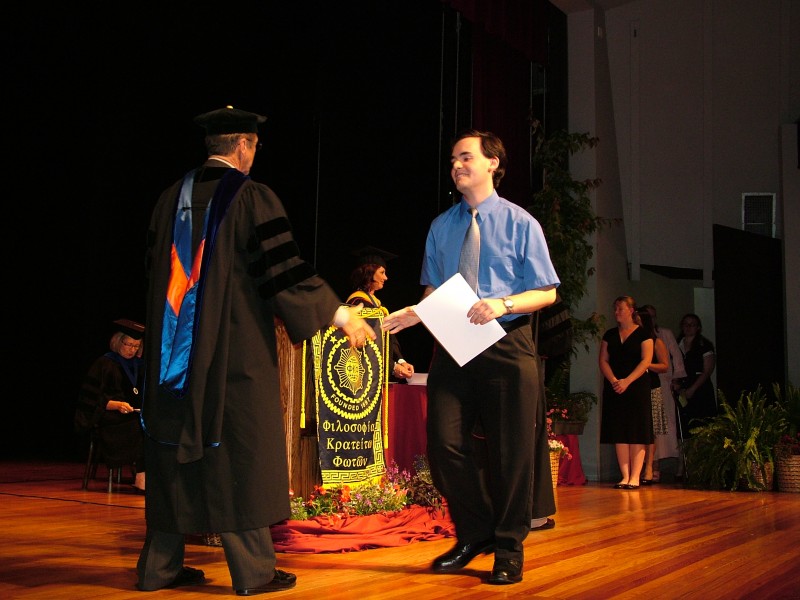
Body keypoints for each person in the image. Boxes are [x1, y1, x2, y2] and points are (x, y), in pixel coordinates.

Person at [135, 106, 376, 596]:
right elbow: (282, 273)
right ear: (243, 144)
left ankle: (157, 569)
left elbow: (151, 273)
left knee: (172, 454)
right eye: (254, 146)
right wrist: (340, 313)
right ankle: (253, 573)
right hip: (232, 358)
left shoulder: (167, 201)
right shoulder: (250, 198)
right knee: (235, 456)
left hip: (169, 361)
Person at [382, 129, 560, 585]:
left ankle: (509, 544)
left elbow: (546, 293)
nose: (457, 165)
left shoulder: (522, 224)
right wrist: (414, 313)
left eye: (466, 157)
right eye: (453, 160)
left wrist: (503, 303)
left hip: (506, 341)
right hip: (454, 342)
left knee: (511, 451)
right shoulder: (442, 226)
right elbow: (433, 290)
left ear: (492, 163)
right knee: (444, 444)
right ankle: (476, 531)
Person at [74, 318, 147, 492]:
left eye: (136, 346)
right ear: (118, 341)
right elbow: (90, 399)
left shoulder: (141, 366)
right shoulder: (105, 363)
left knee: (153, 427)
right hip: (110, 419)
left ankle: (150, 475)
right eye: (128, 344)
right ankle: (141, 477)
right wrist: (115, 405)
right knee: (138, 428)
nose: (132, 350)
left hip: (135, 416)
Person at [598, 296, 653, 490]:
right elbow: (603, 360)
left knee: (636, 430)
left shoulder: (644, 334)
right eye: (615, 309)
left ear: (631, 310)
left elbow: (646, 360)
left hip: (637, 386)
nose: (616, 313)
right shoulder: (610, 334)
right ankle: (625, 476)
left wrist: (627, 381)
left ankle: (635, 476)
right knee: (619, 430)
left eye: (620, 309)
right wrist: (614, 381)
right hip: (615, 386)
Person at [346, 246, 415, 382]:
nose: (386, 277)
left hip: (377, 373)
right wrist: (393, 367)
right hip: (362, 375)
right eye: (382, 272)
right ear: (370, 273)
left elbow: (389, 336)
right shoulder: (357, 303)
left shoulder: (377, 304)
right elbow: (370, 343)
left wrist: (400, 360)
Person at [640, 304, 686, 482]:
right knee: (647, 426)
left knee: (660, 426)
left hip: (662, 384)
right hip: (643, 385)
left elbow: (676, 357)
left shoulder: (663, 335)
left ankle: (656, 465)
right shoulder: (638, 336)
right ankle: (647, 465)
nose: (651, 320)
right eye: (648, 316)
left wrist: (676, 379)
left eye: (653, 316)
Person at [636, 309, 669, 485]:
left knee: (651, 430)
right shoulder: (632, 341)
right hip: (634, 388)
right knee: (637, 429)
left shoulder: (656, 342)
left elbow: (665, 365)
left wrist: (646, 363)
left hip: (651, 388)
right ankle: (637, 468)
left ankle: (649, 467)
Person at [675, 313, 717, 437]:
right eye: (686, 325)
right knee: (684, 425)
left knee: (701, 425)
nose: (688, 327)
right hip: (682, 387)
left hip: (700, 388)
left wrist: (692, 389)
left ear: (698, 327)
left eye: (692, 325)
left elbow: (707, 370)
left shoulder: (704, 345)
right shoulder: (677, 344)